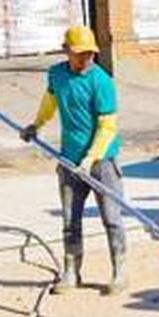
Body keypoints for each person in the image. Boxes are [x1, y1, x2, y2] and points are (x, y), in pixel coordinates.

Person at [18, 25, 127, 295]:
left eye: (89, 53)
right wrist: (36, 125)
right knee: (70, 221)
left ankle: (119, 271)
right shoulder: (57, 75)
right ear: (66, 51)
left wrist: (91, 158)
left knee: (112, 218)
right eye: (79, 54)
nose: (85, 59)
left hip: (102, 162)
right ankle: (71, 271)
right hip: (69, 160)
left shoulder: (102, 82)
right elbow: (50, 102)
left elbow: (107, 126)